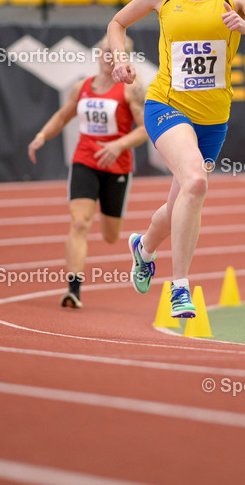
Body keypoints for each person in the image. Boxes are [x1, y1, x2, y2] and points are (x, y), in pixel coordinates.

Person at [107, 0, 245, 318]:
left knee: (181, 202)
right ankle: (180, 287)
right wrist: (120, 59)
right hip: (167, 106)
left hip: (213, 119)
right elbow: (117, 22)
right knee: (197, 183)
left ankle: (144, 248)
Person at [27, 35, 148, 309]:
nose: (108, 57)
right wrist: (42, 136)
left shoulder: (132, 90)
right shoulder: (81, 87)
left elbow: (145, 129)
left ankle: (137, 246)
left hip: (116, 166)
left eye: (114, 53)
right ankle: (74, 290)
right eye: (105, 51)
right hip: (85, 161)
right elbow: (62, 116)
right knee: (79, 222)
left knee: (110, 235)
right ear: (97, 54)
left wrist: (118, 145)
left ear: (123, 57)